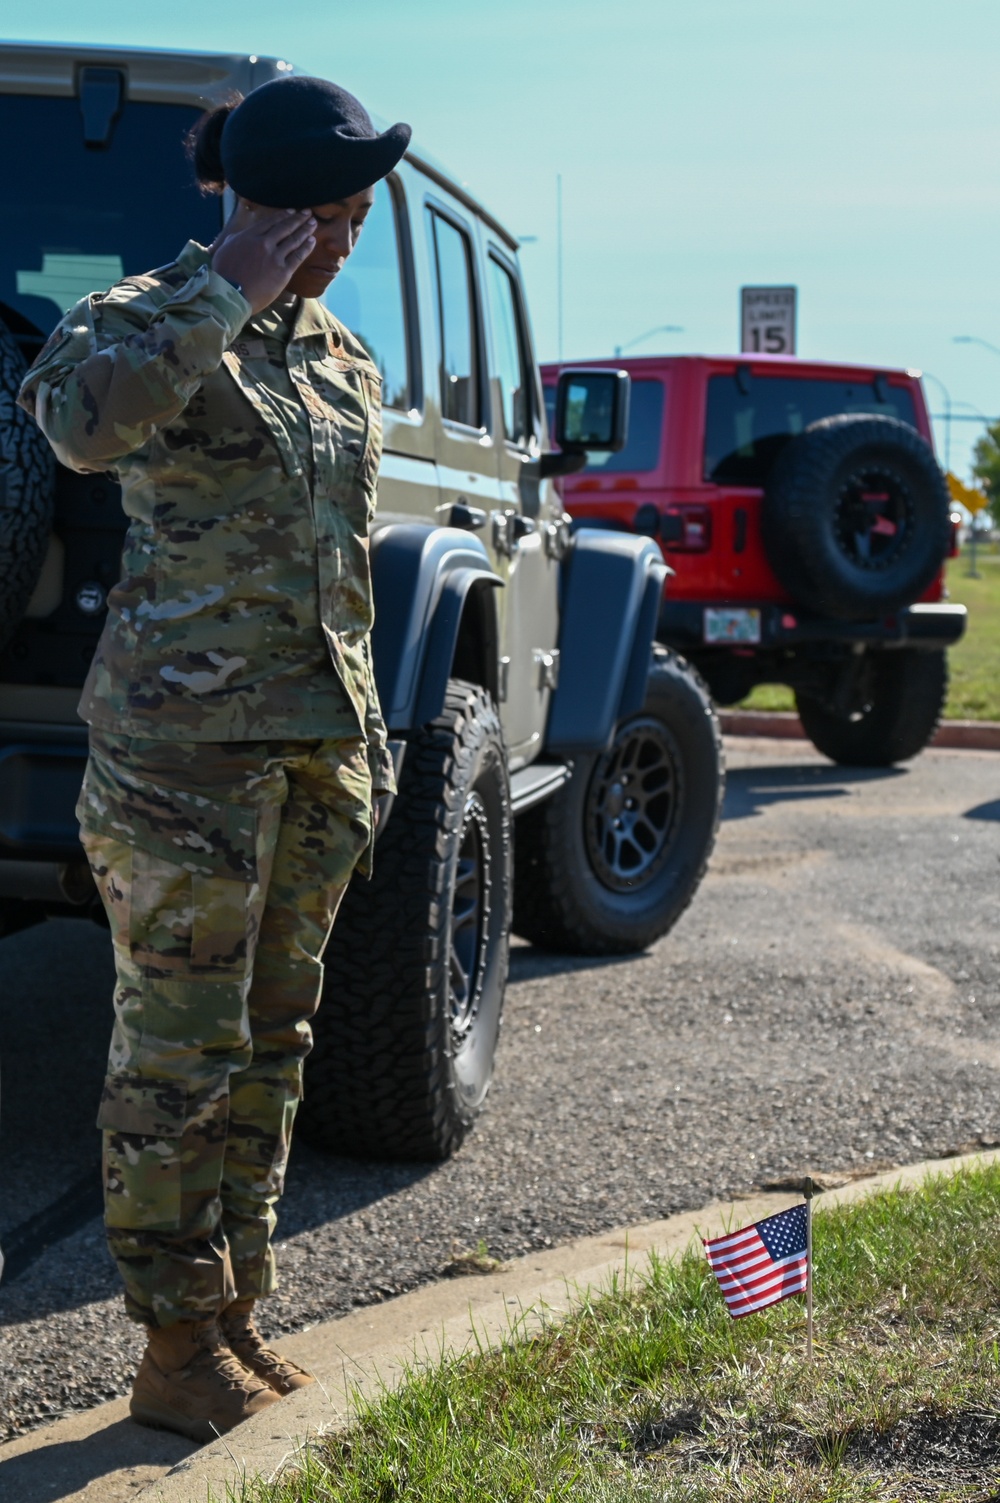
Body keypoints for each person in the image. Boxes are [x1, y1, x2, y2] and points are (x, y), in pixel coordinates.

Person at [17, 75, 411, 1444]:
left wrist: (369, 742)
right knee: (177, 1054)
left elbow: (342, 574)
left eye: (364, 204)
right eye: (340, 202)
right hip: (177, 764)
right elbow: (78, 427)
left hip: (312, 758)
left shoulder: (345, 358)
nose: (357, 226)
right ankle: (172, 1344)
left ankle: (241, 1304)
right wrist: (222, 295)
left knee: (272, 1042)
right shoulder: (139, 316)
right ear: (277, 198)